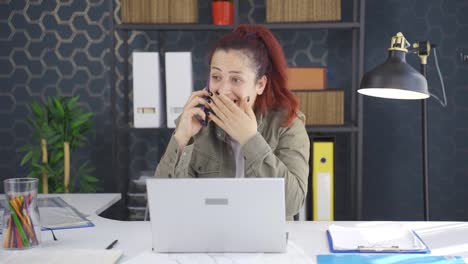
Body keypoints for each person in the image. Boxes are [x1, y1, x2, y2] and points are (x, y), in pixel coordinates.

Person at [155, 24, 310, 220]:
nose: (222, 90)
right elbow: (166, 206)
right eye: (216, 77)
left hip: (264, 241)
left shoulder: (288, 124)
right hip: (206, 240)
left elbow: (292, 204)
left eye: (236, 79)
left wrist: (250, 139)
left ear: (260, 84)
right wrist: (181, 138)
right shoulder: (197, 123)